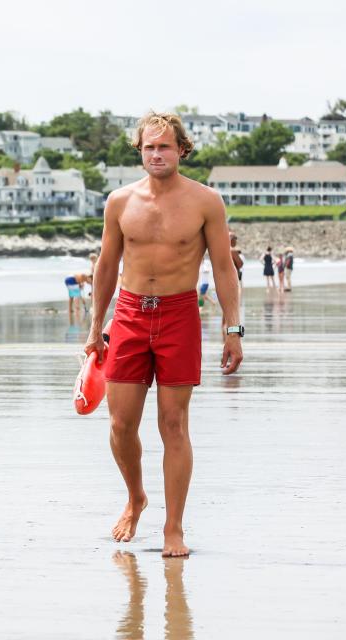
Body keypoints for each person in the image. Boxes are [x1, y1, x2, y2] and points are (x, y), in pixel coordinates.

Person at [84, 112, 243, 557]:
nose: (157, 153)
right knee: (120, 424)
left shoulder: (206, 201)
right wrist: (96, 328)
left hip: (179, 315)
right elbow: (106, 266)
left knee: (173, 424)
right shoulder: (119, 202)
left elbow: (224, 268)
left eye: (165, 146)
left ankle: (174, 528)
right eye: (149, 147)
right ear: (139, 151)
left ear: (181, 149)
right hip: (130, 315)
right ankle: (136, 497)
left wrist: (233, 329)